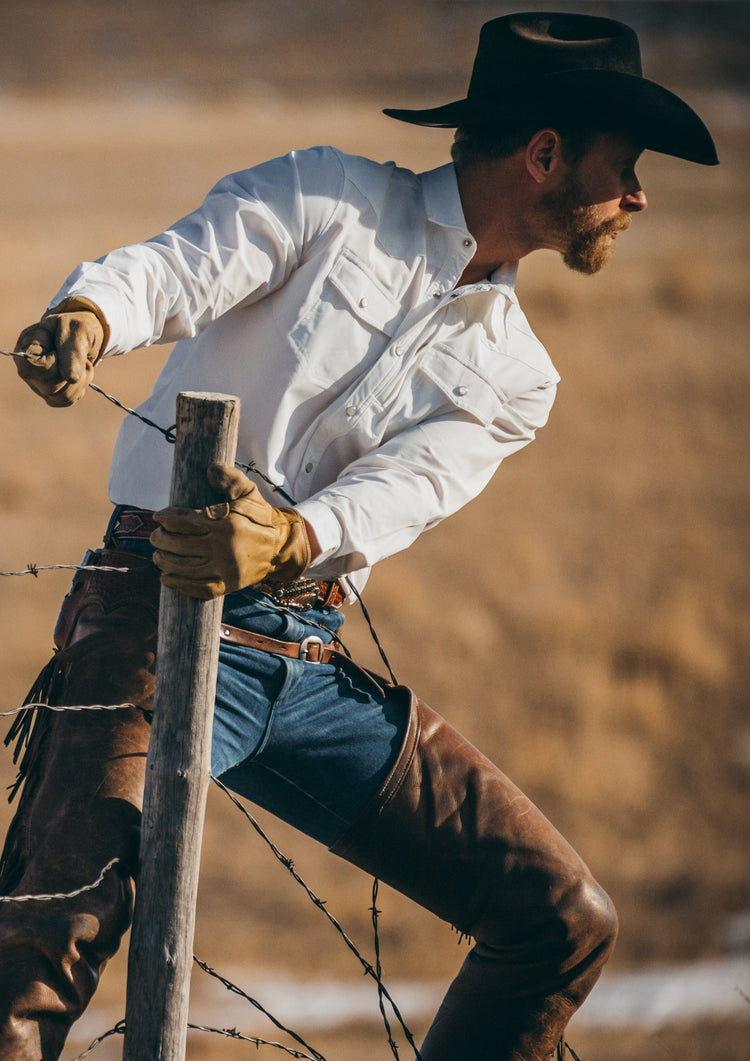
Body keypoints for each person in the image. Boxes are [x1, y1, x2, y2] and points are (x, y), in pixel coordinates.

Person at [0, 11, 717, 1061]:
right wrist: (93, 311)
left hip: (305, 665)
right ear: (546, 154)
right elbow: (183, 265)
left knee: (560, 917)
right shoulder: (328, 194)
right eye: (628, 163)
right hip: (149, 623)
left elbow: (403, 490)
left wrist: (290, 538)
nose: (639, 195)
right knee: (33, 974)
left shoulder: (522, 374)